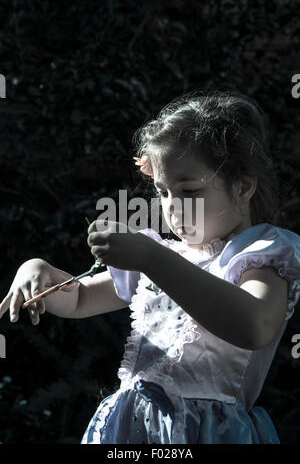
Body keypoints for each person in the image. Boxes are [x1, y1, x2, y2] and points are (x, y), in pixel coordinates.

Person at [1, 90, 300, 444]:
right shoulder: (158, 257)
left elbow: (254, 326)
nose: (173, 207)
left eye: (189, 190)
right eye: (163, 191)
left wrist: (151, 258)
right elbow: (79, 300)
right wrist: (39, 272)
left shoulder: (259, 253)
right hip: (130, 432)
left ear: (243, 186)